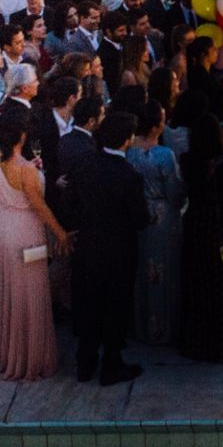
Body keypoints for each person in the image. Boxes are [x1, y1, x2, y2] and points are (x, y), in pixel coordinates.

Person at [0, 107, 68, 380]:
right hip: (25, 230)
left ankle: (10, 353)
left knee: (10, 292)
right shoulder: (25, 170)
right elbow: (40, 207)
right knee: (31, 293)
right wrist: (61, 234)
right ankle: (31, 358)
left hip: (3, 227)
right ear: (22, 136)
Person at [73, 111, 150, 384]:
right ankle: (112, 365)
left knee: (91, 305)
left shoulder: (87, 165)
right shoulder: (129, 175)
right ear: (127, 140)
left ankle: (85, 363)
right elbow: (140, 220)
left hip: (89, 248)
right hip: (118, 253)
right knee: (116, 308)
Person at [178, 110, 223, 362]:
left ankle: (197, 339)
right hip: (221, 228)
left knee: (197, 280)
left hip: (195, 227)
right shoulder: (222, 164)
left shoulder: (186, 160)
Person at [125, 100, 185, 346]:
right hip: (161, 217)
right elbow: (174, 191)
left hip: (136, 215)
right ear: (153, 127)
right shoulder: (164, 155)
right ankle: (162, 327)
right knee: (163, 270)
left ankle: (140, 325)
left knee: (141, 270)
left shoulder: (128, 150)